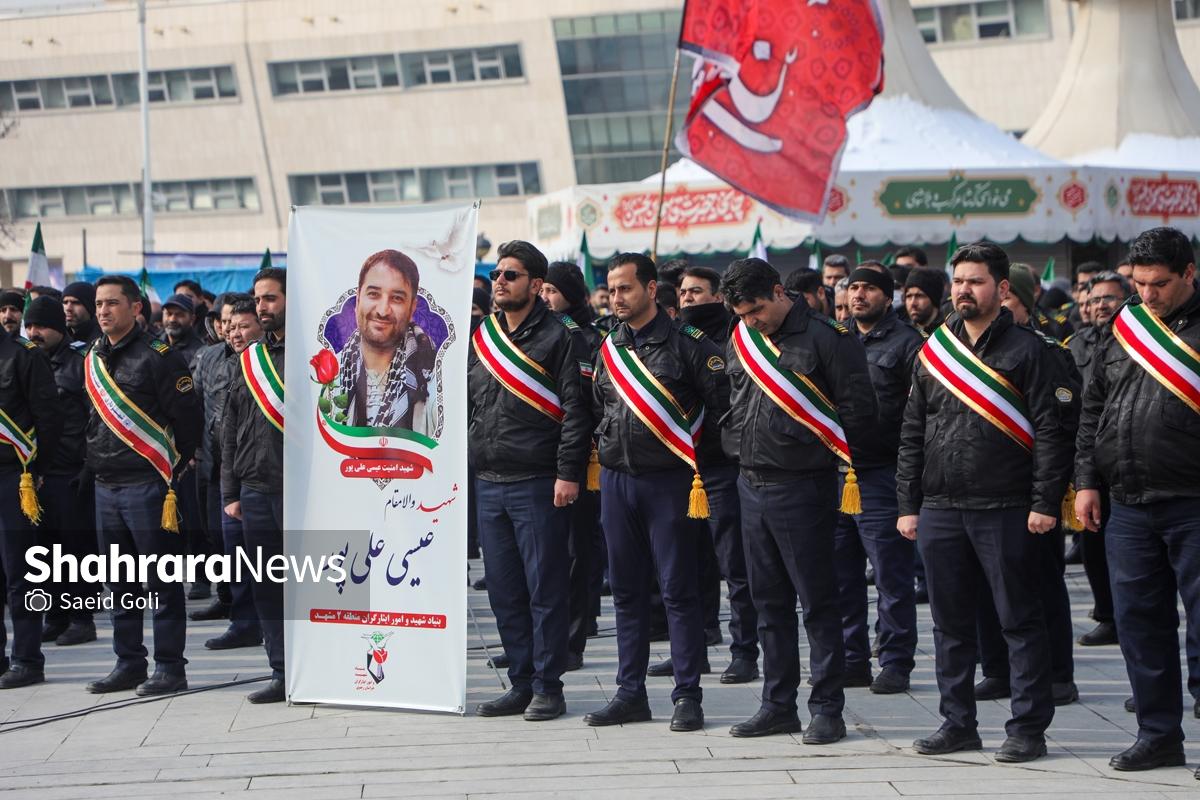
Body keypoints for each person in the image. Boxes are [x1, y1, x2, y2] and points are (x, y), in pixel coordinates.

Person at [897, 241, 1078, 763]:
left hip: (1007, 505)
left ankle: (1028, 728)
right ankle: (957, 724)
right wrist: (909, 503)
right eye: (958, 281)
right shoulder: (934, 350)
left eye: (974, 282)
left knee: (1019, 621)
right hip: (941, 506)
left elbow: (1052, 433)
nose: (963, 291)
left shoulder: (1031, 350)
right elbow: (913, 431)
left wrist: (1045, 502)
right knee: (950, 625)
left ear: (1000, 288)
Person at [722, 258, 875, 742]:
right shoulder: (742, 336)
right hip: (750, 481)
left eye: (756, 311)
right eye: (742, 315)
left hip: (803, 484)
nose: (751, 322)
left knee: (817, 601)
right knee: (768, 602)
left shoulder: (828, 338)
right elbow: (734, 399)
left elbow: (858, 412)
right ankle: (777, 704)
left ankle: (827, 707)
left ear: (778, 291)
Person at [584, 253, 729, 733]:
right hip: (617, 481)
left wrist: (695, 463)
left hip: (671, 483)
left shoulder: (690, 345)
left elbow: (721, 412)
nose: (616, 298)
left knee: (677, 591)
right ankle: (630, 693)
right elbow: (600, 407)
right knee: (627, 592)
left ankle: (688, 695)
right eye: (611, 290)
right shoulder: (609, 346)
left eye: (625, 288)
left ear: (650, 289)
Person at [1074, 227, 1200, 774]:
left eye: (1160, 284)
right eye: (1140, 283)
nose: (1148, 295)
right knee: (1139, 624)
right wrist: (1086, 480)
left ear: (1189, 274)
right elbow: (1094, 407)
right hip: (1127, 501)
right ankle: (1158, 734)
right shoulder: (1127, 324)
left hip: (1192, 500)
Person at [469, 243, 591, 721]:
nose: (500, 281)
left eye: (511, 275)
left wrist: (568, 473)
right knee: (504, 591)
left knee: (545, 590)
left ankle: (548, 686)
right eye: (497, 274)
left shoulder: (562, 336)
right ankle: (520, 683)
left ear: (536, 285)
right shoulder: (485, 336)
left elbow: (577, 412)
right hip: (489, 480)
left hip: (538, 481)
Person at [84, 275, 202, 696]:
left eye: (112, 303)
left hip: (148, 485)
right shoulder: (94, 356)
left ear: (136, 308)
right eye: (99, 303)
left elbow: (188, 420)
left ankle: (170, 667)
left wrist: (173, 469)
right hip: (105, 484)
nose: (103, 311)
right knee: (119, 583)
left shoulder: (159, 356)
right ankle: (129, 662)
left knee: (161, 582)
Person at [663, 265, 761, 686]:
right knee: (688, 565)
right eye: (683, 292)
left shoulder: (736, 337)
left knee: (734, 565)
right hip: (683, 468)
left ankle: (745, 652)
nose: (687, 298)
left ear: (718, 297)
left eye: (696, 291)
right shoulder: (673, 339)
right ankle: (694, 647)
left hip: (722, 466)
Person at [833, 267, 922, 694]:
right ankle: (852, 660)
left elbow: (918, 416)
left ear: (889, 297)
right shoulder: (834, 338)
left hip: (882, 474)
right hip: (836, 474)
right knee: (841, 576)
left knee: (891, 575)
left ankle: (895, 660)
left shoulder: (908, 344)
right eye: (854, 288)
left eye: (869, 288)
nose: (859, 295)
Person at [222, 267, 286, 704]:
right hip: (254, 489)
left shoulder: (316, 352)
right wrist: (230, 492)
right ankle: (281, 670)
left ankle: (321, 667)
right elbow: (231, 428)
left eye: (271, 298)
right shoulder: (250, 360)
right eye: (258, 299)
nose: (262, 306)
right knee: (267, 586)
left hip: (301, 490)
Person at [23, 297, 98, 648]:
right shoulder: (27, 360)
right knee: (43, 550)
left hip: (70, 470)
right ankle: (55, 615)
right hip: (35, 471)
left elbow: (97, 418)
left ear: (58, 327)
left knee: (75, 550)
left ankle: (82, 619)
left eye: (40, 326)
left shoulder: (80, 362)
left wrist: (89, 465)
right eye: (29, 326)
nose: (33, 333)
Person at [191, 296, 264, 653]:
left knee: (264, 557)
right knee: (228, 548)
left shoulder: (270, 363)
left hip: (261, 473)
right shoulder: (213, 360)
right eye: (230, 326)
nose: (234, 333)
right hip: (220, 468)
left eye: (243, 326)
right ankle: (243, 620)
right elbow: (199, 406)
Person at [541, 261, 604, 669]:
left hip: (579, 457)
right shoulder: (535, 333)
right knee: (541, 556)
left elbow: (585, 401)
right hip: (537, 456)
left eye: (553, 291)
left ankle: (572, 639)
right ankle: (539, 640)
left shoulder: (587, 338)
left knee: (576, 552)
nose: (546, 298)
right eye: (543, 290)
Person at [1065, 272, 1130, 649]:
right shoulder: (1076, 344)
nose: (1101, 305)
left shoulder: (1139, 339)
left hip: (1128, 458)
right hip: (1088, 457)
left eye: (1110, 298)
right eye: (1095, 299)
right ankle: (1106, 614)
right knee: (1091, 544)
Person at [0, 319, 61, 689]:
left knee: (20, 574)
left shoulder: (24, 355)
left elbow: (48, 417)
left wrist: (38, 470)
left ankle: (27, 659)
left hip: (13, 476)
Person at [336, 250, 437, 435]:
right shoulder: (330, 372)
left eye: (397, 298)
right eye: (373, 294)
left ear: (412, 307)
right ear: (358, 300)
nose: (383, 311)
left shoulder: (433, 375)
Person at [904, 268, 946, 334]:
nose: (913, 303)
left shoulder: (947, 333)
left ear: (933, 298)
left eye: (919, 296)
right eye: (909, 296)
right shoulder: (903, 332)